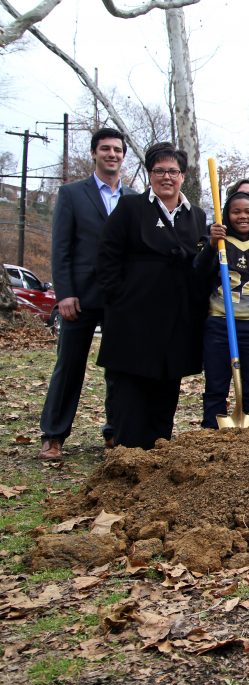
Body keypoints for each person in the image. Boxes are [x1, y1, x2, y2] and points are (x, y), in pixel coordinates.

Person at [94, 141, 208, 449]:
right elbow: (108, 256)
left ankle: (158, 451)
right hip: (134, 316)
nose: (167, 177)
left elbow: (199, 263)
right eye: (159, 171)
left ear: (183, 176)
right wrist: (118, 298)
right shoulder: (131, 208)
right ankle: (129, 453)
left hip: (176, 319)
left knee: (165, 389)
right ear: (149, 174)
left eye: (173, 171)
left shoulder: (195, 215)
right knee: (130, 388)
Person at [38, 127, 135, 460]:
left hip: (120, 299)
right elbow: (61, 248)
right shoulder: (72, 194)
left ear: (124, 156)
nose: (112, 154)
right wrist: (64, 293)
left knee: (120, 368)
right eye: (105, 149)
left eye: (117, 150)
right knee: (69, 365)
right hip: (79, 298)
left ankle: (115, 433)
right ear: (94, 153)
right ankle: (53, 435)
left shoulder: (134, 199)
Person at [195, 191, 249, 429]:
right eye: (236, 211)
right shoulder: (217, 243)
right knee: (216, 387)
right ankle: (211, 434)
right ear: (227, 215)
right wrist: (210, 245)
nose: (243, 216)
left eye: (248, 211)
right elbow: (197, 273)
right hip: (219, 324)